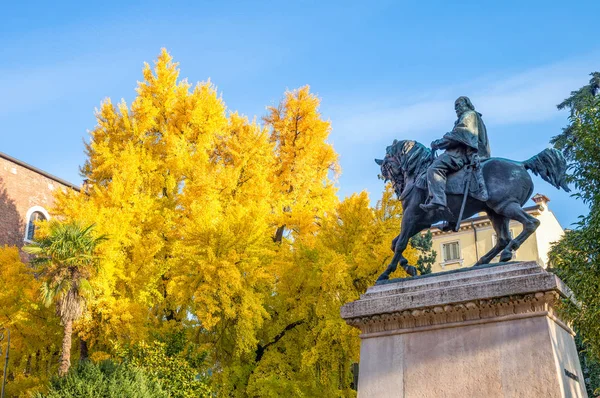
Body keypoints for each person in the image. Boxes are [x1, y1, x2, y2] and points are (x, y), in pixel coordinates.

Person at [419, 96, 490, 213]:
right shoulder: (468, 117)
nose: (456, 108)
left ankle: (438, 200)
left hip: (461, 154)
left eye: (458, 105)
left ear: (467, 104)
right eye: (455, 107)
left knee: (434, 169)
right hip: (463, 153)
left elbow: (458, 135)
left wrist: (438, 144)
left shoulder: (469, 115)